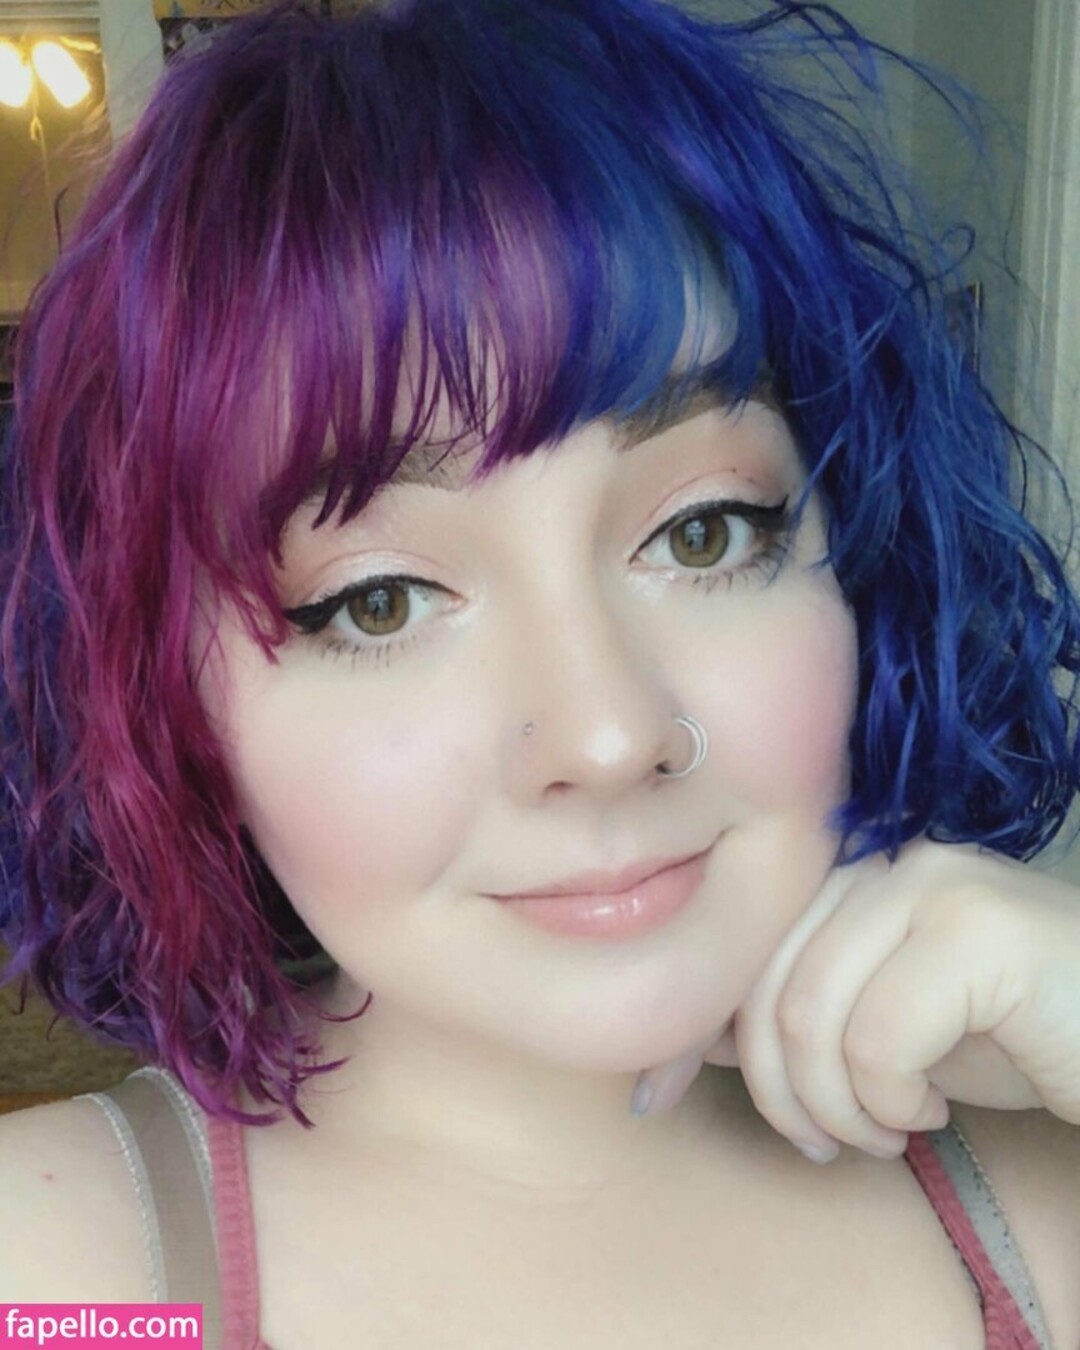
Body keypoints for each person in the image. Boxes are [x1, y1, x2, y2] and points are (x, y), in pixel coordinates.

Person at [2, 1, 1080, 1346]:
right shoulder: (59, 1282)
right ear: (169, 705)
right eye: (381, 601)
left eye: (703, 532)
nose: (608, 735)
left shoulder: (1045, 1203)